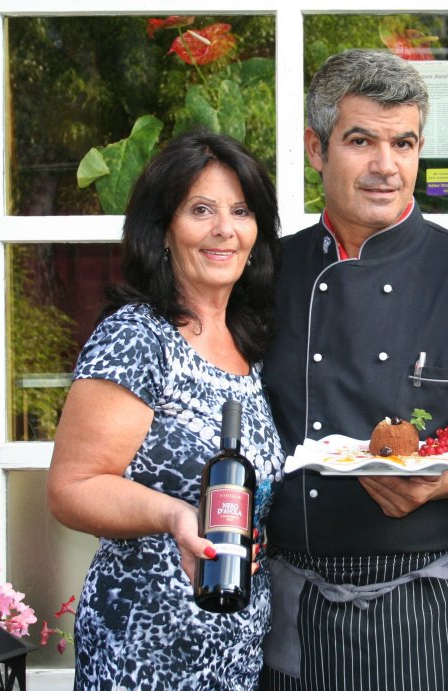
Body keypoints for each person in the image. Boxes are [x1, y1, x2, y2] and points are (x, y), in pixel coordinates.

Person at [259, 49, 448, 691]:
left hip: (435, 606)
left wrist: (442, 480)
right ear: (316, 148)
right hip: (298, 605)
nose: (387, 166)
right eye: (361, 141)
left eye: (404, 143)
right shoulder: (266, 274)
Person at [47, 130, 285, 689]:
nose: (224, 228)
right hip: (143, 654)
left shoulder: (249, 347)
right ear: (163, 231)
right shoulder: (137, 338)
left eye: (241, 210)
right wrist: (175, 516)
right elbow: (72, 486)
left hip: (234, 657)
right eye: (201, 209)